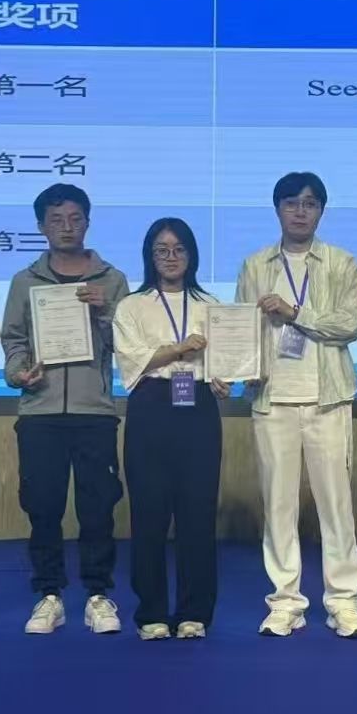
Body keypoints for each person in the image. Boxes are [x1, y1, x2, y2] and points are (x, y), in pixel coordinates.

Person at [235, 171, 357, 639]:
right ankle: (285, 601)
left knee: (336, 505)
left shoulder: (342, 263)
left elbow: (348, 325)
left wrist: (294, 313)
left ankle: (343, 601)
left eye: (309, 204)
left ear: (321, 211)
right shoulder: (255, 265)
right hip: (272, 398)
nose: (300, 211)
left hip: (327, 398)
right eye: (291, 203)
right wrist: (238, 366)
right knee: (278, 505)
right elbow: (242, 328)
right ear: (278, 209)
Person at [1, 184, 130, 637]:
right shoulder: (24, 281)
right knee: (43, 506)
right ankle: (49, 594)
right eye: (56, 220)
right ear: (41, 226)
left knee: (98, 507)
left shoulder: (113, 280)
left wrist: (105, 310)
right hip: (40, 411)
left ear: (88, 223)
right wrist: (18, 374)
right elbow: (13, 341)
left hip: (94, 412)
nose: (67, 227)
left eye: (75, 218)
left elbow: (129, 344)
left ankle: (98, 593)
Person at [112, 218, 231, 641]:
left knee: (198, 512)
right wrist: (180, 348)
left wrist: (224, 378)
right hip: (151, 406)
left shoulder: (211, 305)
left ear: (191, 254)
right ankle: (152, 613)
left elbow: (223, 361)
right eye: (161, 250)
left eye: (179, 249)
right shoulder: (132, 306)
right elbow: (134, 361)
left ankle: (195, 611)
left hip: (198, 407)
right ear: (150, 256)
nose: (171, 257)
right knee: (149, 512)